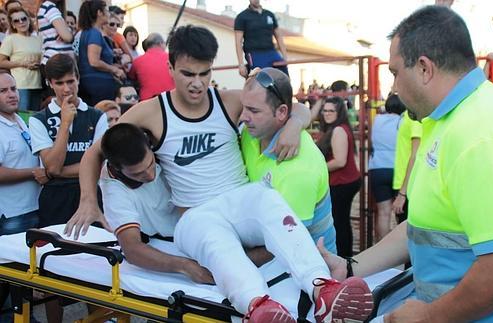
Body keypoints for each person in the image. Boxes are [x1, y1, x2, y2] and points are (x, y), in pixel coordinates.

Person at [65, 25, 373, 323]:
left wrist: (293, 126)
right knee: (217, 243)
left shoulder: (227, 100)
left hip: (239, 201)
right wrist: (88, 200)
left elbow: (290, 106)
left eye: (204, 73)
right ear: (170, 68)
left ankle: (322, 288)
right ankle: (258, 305)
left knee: (268, 200)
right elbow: (96, 151)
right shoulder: (152, 112)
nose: (197, 83)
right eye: (188, 74)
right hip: (195, 216)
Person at [318, 6, 493, 322]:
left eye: (395, 72)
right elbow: (426, 227)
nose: (395, 87)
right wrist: (350, 265)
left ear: (424, 68)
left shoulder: (484, 133)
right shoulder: (449, 120)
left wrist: (428, 316)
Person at [98, 123, 214, 284]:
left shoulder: (166, 142)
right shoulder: (114, 190)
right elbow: (132, 249)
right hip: (171, 244)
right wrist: (186, 266)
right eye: (137, 174)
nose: (150, 175)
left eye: (151, 163)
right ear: (117, 169)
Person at [240, 67, 337, 254]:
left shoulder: (299, 169)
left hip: (309, 269)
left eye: (253, 110)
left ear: (282, 112)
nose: (243, 116)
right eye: (244, 107)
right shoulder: (253, 132)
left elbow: (288, 244)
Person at [29, 53, 107, 228]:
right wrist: (65, 123)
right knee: (55, 253)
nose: (66, 89)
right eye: (59, 83)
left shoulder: (97, 116)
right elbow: (53, 165)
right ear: (49, 83)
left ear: (78, 78)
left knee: (93, 252)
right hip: (55, 199)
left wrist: (52, 173)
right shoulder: (38, 119)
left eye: (70, 81)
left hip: (90, 195)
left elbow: (98, 165)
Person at [0, 72, 47, 235]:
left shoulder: (20, 119)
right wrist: (34, 173)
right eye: (3, 91)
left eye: (13, 89)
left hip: (35, 207)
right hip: (12, 214)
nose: (11, 94)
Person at [316, 96, 361, 257]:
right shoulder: (335, 128)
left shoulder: (338, 130)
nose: (326, 113)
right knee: (341, 222)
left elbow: (340, 161)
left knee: (339, 223)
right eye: (324, 110)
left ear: (339, 112)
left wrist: (317, 169)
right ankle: (344, 256)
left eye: (331, 111)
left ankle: (343, 257)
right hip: (343, 181)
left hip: (342, 182)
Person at [368, 94, 404, 241]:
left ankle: (381, 245)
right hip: (397, 169)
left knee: (383, 213)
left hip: (377, 168)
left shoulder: (377, 120)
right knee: (400, 213)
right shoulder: (403, 121)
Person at [76, 0, 125, 106]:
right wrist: (115, 70)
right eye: (107, 11)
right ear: (99, 13)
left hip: (89, 82)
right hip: (98, 84)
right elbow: (94, 61)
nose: (109, 14)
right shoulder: (94, 33)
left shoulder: (87, 32)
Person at [0, 7, 42, 111]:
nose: (21, 22)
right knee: (23, 115)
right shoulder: (10, 39)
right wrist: (22, 64)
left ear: (29, 19)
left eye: (23, 18)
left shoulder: (38, 38)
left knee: (34, 117)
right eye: (16, 21)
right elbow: (1, 62)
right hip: (21, 84)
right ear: (13, 24)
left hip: (37, 83)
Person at [234, 0, 288, 78]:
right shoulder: (242, 17)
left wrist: (285, 57)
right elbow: (238, 42)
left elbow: (279, 36)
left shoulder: (269, 14)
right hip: (254, 53)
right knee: (261, 80)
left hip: (271, 52)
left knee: (284, 77)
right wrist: (241, 64)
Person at [127, 33, 174, 100]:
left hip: (147, 102)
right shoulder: (172, 58)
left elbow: (130, 77)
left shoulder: (137, 61)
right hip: (171, 100)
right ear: (161, 43)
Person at [37, 0, 74, 66]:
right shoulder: (50, 8)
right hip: (57, 62)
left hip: (57, 61)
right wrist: (67, 32)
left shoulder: (46, 7)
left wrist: (67, 31)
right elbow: (68, 37)